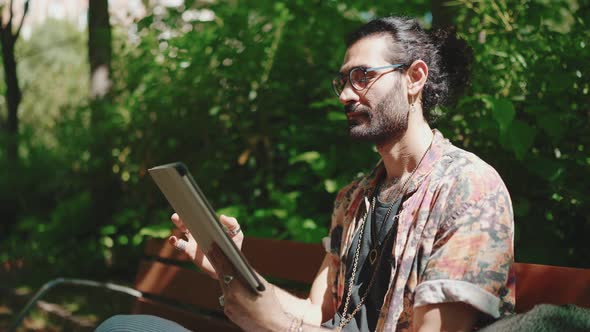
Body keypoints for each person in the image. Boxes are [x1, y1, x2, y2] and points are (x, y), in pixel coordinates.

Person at [97, 16, 515, 332]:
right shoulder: (355, 199)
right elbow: (317, 313)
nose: (348, 94)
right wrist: (230, 268)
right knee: (124, 326)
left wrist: (273, 326)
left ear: (415, 78)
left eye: (363, 76)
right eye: (343, 80)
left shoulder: (468, 189)